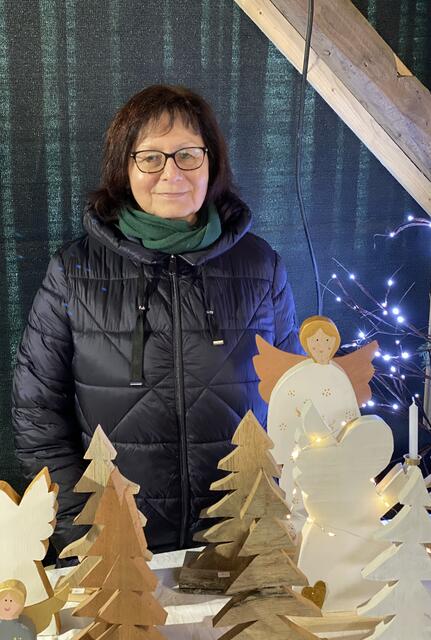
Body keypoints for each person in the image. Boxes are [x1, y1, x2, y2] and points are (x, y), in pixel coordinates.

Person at [11, 85, 300, 557]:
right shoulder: (74, 272)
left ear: (211, 163)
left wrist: (276, 514)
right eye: (150, 158)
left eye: (188, 154)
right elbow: (36, 411)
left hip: (241, 544)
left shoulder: (261, 267)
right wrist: (85, 526)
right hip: (116, 550)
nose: (171, 173)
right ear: (124, 169)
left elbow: (292, 401)